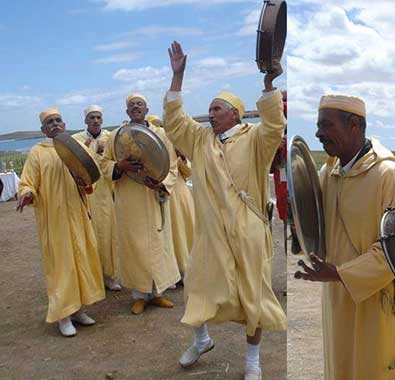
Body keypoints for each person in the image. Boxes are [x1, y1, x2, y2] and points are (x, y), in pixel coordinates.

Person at [164, 41, 287, 380]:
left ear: (235, 112)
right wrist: (178, 77)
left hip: (248, 231)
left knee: (254, 296)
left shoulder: (256, 139)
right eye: (210, 110)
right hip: (210, 233)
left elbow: (275, 126)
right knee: (199, 285)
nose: (211, 114)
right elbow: (174, 123)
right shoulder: (200, 140)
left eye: (217, 109)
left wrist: (268, 85)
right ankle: (201, 340)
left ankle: (252, 362)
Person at [294, 94, 395, 380]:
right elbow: (313, 221)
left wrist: (341, 273)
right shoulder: (328, 171)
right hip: (337, 299)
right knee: (340, 368)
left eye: (326, 125)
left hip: (377, 303)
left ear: (353, 125)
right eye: (317, 125)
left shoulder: (388, 175)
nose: (318, 133)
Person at [17, 108, 105, 337]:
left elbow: (91, 183)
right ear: (43, 129)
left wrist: (84, 183)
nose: (55, 124)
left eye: (58, 120)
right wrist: (27, 193)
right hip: (54, 220)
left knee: (81, 261)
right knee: (62, 266)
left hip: (77, 216)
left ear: (64, 125)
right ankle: (63, 315)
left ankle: (78, 310)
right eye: (50, 122)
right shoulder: (37, 152)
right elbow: (27, 181)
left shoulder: (77, 149)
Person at [101, 93, 180, 315]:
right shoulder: (116, 136)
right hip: (130, 199)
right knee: (134, 246)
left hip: (154, 196)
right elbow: (104, 163)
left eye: (140, 104)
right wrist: (121, 166)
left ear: (146, 109)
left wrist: (162, 183)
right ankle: (138, 295)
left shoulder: (161, 134)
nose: (135, 107)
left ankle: (157, 294)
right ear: (127, 112)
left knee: (158, 243)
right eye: (131, 105)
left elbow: (171, 164)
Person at [72, 105, 121, 291]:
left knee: (109, 234)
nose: (95, 120)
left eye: (98, 117)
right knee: (89, 235)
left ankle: (109, 275)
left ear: (102, 120)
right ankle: (93, 277)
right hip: (86, 194)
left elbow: (116, 159)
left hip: (107, 193)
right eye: (91, 117)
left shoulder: (109, 137)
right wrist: (89, 147)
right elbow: (72, 160)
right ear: (85, 120)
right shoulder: (76, 140)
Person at [148, 114, 195, 280]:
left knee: (184, 231)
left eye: (161, 126)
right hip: (159, 194)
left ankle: (186, 269)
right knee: (167, 234)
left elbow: (188, 172)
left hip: (179, 194)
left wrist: (181, 156)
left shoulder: (174, 144)